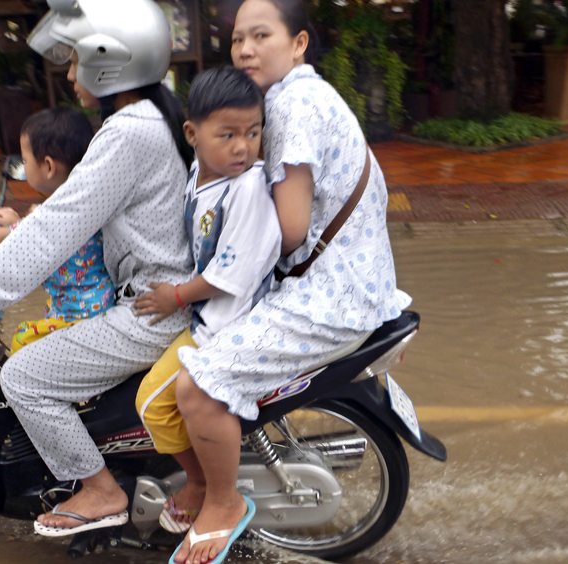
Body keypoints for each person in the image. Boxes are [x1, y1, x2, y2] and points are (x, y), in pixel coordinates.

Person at [0, 0, 196, 537]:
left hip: (150, 309)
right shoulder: (153, 116)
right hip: (163, 295)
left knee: (22, 377)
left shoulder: (126, 133)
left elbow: (54, 231)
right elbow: (59, 218)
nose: (69, 74)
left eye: (77, 61)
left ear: (111, 61)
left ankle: (100, 490)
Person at [169, 1, 413, 563]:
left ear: (298, 42)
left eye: (262, 35)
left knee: (196, 389)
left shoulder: (293, 107)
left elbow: (290, 228)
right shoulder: (295, 94)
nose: (247, 49)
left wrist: (222, 257)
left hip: (329, 296)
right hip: (354, 281)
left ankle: (222, 502)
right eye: (237, 40)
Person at [131, 66, 281, 534]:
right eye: (229, 134)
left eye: (253, 133)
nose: (243, 146)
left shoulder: (248, 188)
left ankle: (203, 486)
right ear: (192, 134)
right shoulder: (201, 172)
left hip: (225, 323)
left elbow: (227, 273)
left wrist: (174, 297)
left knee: (152, 403)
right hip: (208, 314)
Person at [0, 107, 115, 354]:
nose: (23, 166)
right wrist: (20, 219)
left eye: (25, 160)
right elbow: (37, 227)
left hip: (79, 317)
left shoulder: (54, 213)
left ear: (48, 166)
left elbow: (14, 237)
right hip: (96, 306)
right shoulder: (82, 198)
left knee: (21, 347)